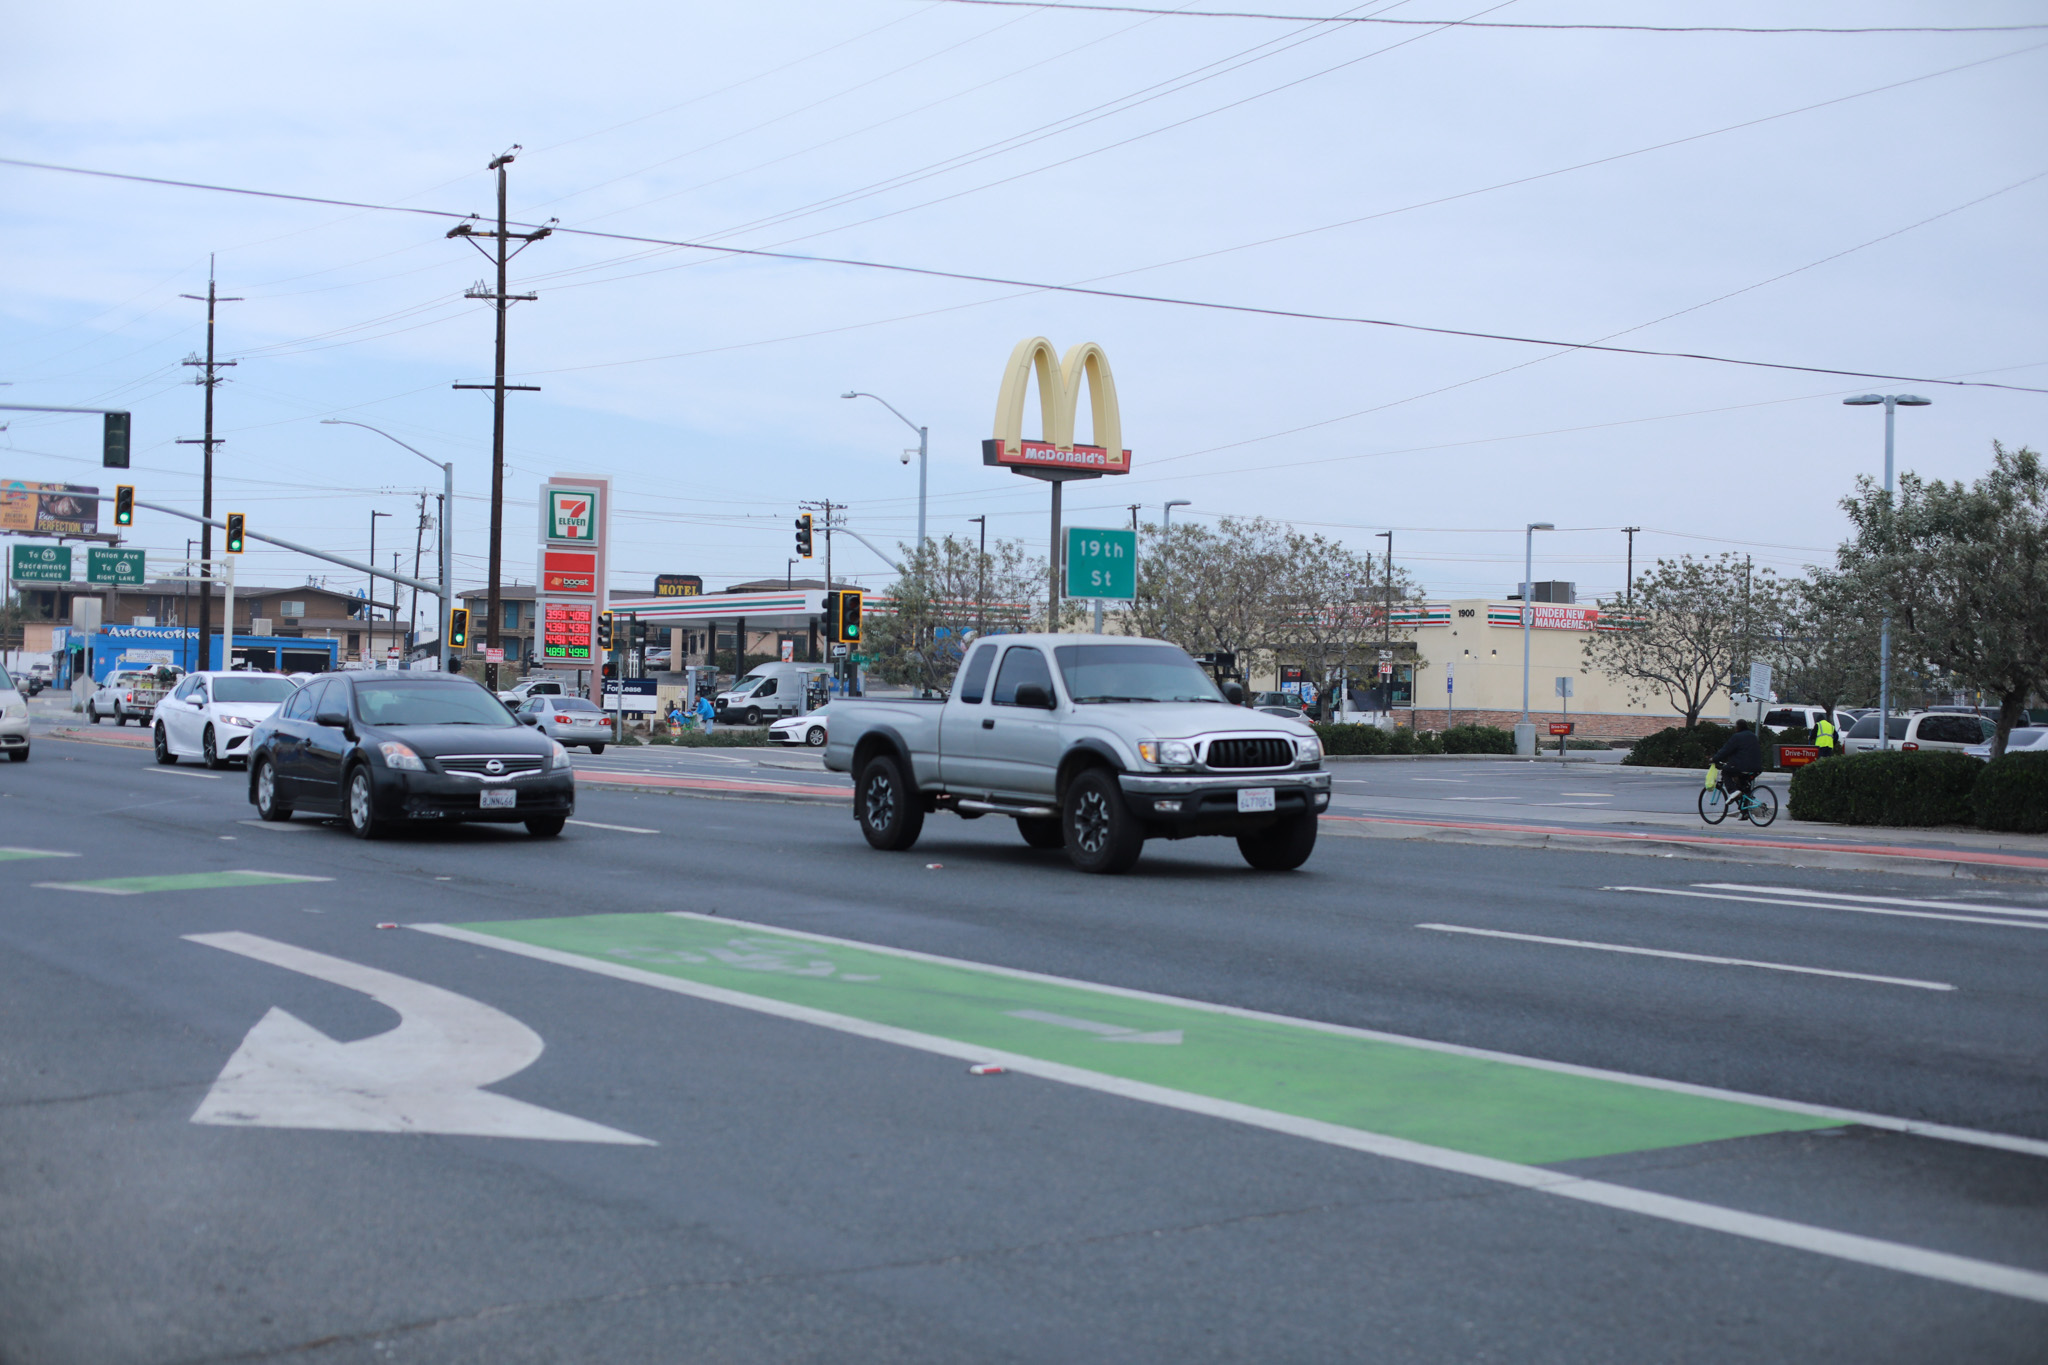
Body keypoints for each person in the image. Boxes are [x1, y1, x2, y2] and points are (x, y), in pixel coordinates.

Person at [1712, 719, 1764, 798]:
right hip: (1757, 768)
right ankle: (1746, 807)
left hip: (1742, 766)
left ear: (1738, 727)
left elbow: (1726, 750)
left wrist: (1714, 759)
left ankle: (1733, 791)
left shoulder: (1737, 737)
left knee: (1726, 772)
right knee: (1743, 785)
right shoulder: (1753, 736)